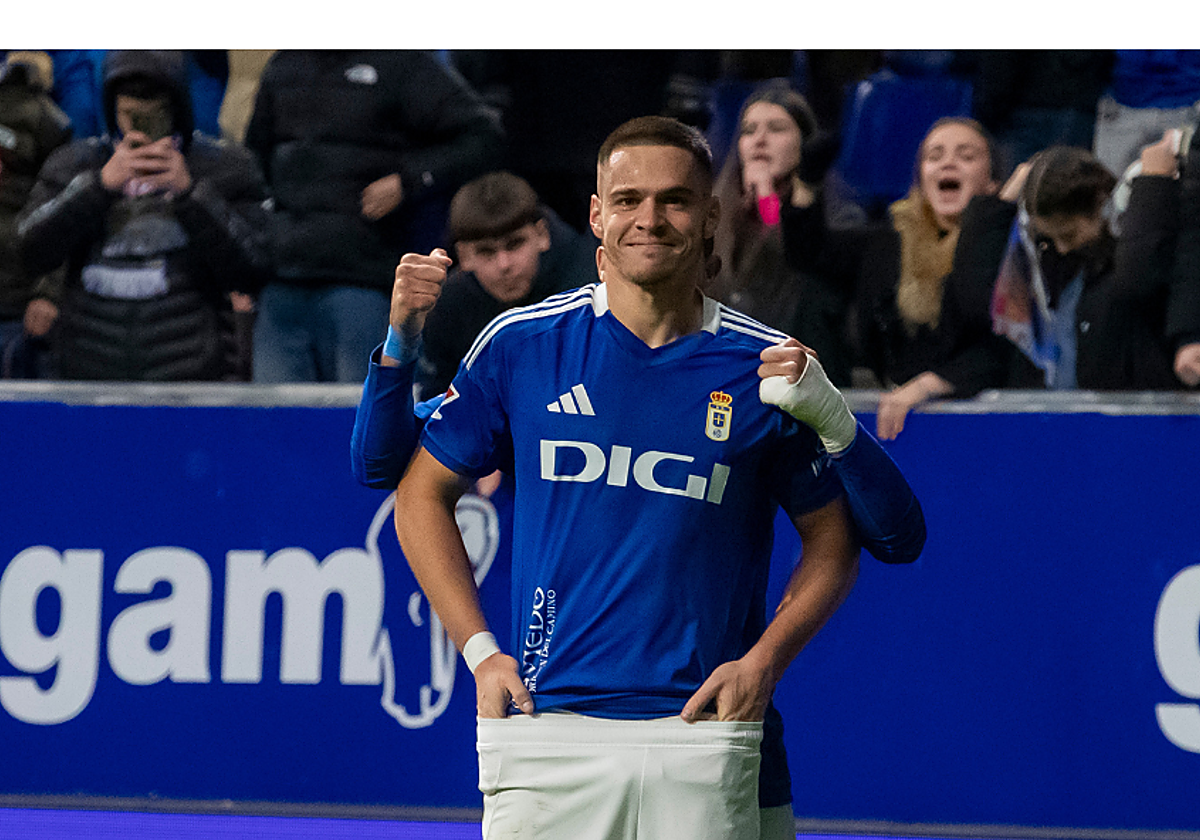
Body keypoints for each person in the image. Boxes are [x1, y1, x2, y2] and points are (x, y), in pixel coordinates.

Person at [392, 115, 865, 840]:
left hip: (702, 727)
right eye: (628, 199)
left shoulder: (770, 369)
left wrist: (766, 661)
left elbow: (833, 542)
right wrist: (480, 652)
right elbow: (420, 493)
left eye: (675, 200)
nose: (650, 218)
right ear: (596, 216)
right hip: (545, 724)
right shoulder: (519, 346)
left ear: (710, 217)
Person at [244, 50, 503, 383]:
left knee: (366, 415)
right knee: (272, 424)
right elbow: (253, 160)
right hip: (283, 278)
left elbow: (482, 135)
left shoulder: (399, 62)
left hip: (363, 278)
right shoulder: (284, 65)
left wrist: (409, 180)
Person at [17, 50, 269, 381]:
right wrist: (99, 187)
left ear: (178, 109)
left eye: (156, 115)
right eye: (130, 115)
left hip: (191, 372)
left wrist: (190, 195)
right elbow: (30, 250)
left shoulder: (223, 167)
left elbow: (254, 267)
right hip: (89, 371)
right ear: (111, 109)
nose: (143, 129)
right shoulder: (77, 165)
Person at [782, 117, 1004, 435]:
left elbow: (999, 346)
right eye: (934, 156)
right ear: (920, 180)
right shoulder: (889, 241)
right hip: (894, 418)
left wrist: (927, 386)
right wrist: (806, 183)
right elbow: (809, 254)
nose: (948, 163)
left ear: (992, 182)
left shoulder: (1005, 248)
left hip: (981, 422)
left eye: (966, 156)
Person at [706, 81, 859, 386]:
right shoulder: (712, 214)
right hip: (724, 376)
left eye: (776, 129)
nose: (759, 140)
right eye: (749, 130)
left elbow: (794, 258)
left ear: (805, 143)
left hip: (803, 376)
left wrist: (767, 199)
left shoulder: (839, 216)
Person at [414, 170, 596, 400]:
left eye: (515, 244)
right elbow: (438, 402)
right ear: (464, 256)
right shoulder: (448, 306)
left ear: (542, 235)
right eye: (486, 252)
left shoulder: (588, 289)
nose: (504, 265)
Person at [0, 51, 72, 378]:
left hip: (19, 301)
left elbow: (60, 218)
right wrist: (47, 292)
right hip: (22, 295)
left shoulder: (53, 130)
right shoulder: (58, 127)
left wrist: (47, 293)